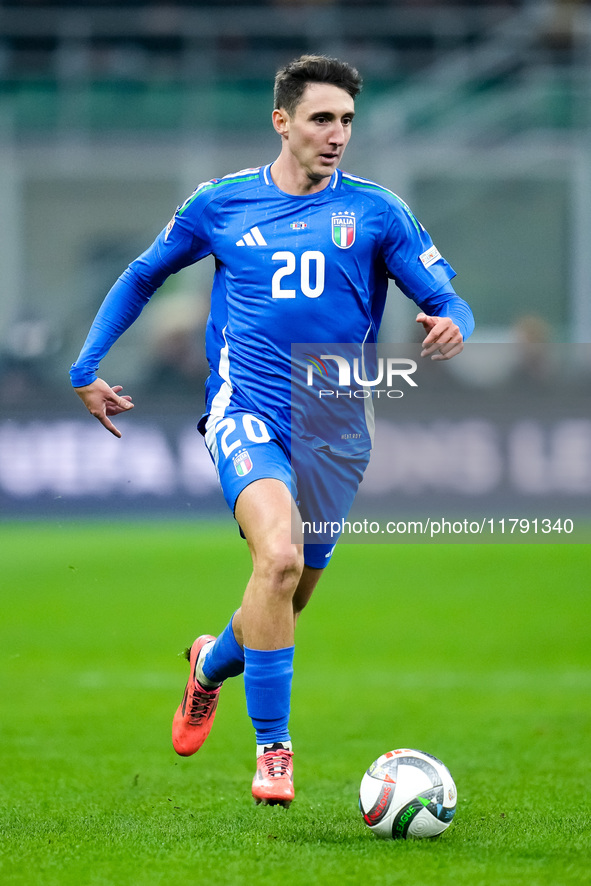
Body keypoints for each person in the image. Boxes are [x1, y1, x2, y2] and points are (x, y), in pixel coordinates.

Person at [70, 54, 474, 807]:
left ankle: (207, 663)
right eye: (322, 119)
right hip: (245, 411)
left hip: (335, 422)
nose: (337, 134)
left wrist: (450, 322)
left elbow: (448, 298)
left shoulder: (378, 211)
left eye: (347, 121)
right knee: (278, 557)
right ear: (281, 120)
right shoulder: (220, 204)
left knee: (287, 595)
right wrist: (86, 366)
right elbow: (141, 275)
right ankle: (274, 750)